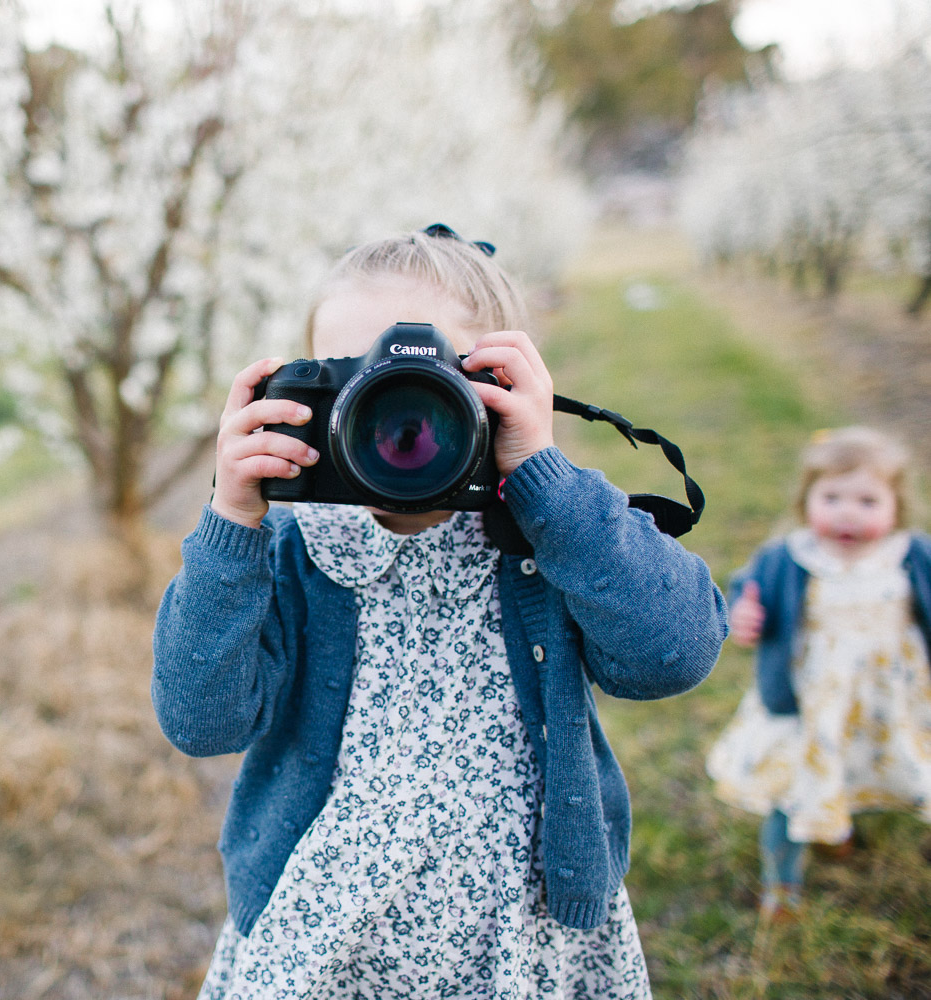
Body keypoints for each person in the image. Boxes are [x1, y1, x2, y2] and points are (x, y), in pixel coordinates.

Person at [151, 226, 728, 999]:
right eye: (357, 378)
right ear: (312, 392)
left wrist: (544, 481)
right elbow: (201, 720)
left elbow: (674, 656)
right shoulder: (292, 543)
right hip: (323, 946)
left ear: (503, 382)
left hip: (521, 942)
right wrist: (231, 520)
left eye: (427, 384)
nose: (395, 416)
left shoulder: (553, 528)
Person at [706, 426, 931, 922]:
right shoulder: (789, 556)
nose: (847, 512)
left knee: (878, 766)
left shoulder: (911, 555)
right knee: (796, 787)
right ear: (806, 498)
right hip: (809, 703)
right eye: (831, 497)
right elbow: (749, 588)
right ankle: (781, 885)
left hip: (889, 701)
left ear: (897, 505)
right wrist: (744, 611)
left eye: (867, 500)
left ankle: (839, 828)